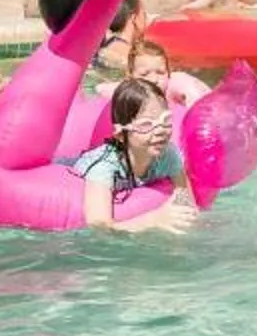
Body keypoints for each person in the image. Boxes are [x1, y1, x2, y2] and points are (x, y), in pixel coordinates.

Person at [66, 78, 196, 230]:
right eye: (146, 124)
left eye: (165, 120)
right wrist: (154, 220)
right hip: (78, 164)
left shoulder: (169, 154)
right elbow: (99, 226)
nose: (161, 130)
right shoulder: (104, 167)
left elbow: (188, 201)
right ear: (121, 135)